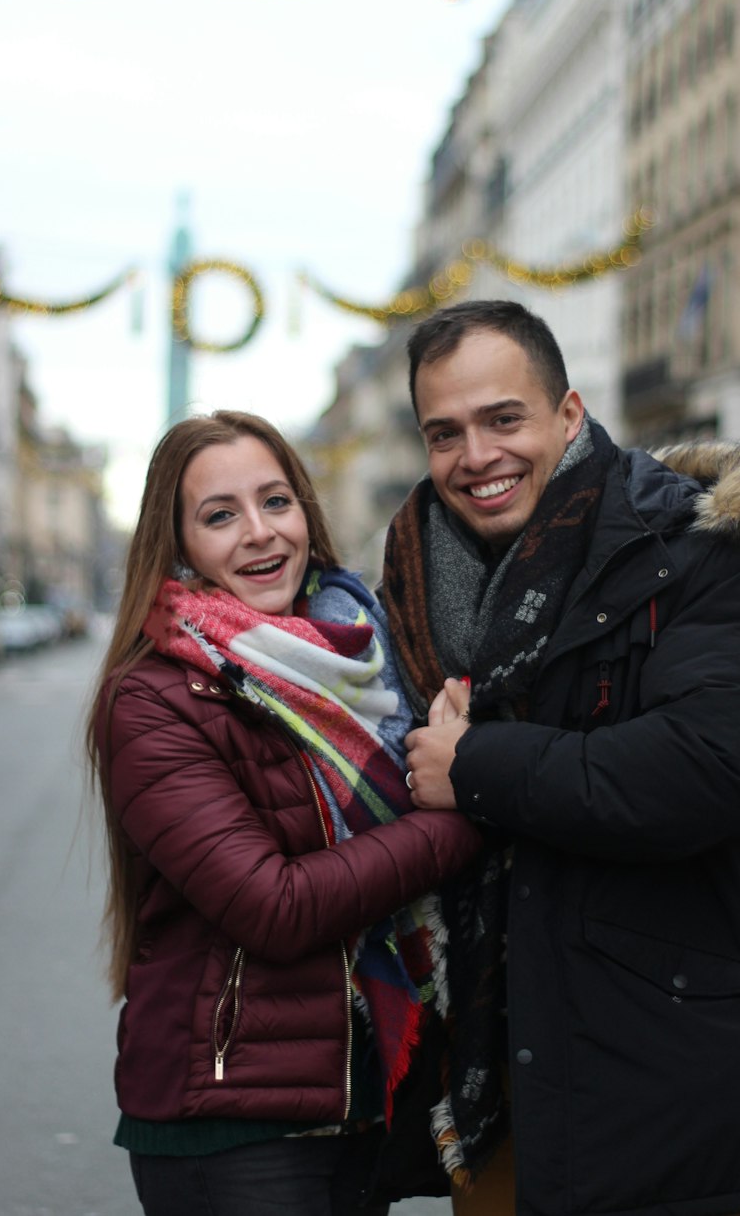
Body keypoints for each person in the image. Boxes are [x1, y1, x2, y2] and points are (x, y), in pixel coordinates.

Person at [382, 300, 740, 1216]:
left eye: (504, 419)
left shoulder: (707, 552)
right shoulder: (421, 584)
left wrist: (475, 766)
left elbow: (710, 769)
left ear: (569, 415)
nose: (477, 457)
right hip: (499, 1079)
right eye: (445, 433)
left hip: (656, 1085)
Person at [85, 410, 483, 1216]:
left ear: (307, 510)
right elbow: (276, 906)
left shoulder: (365, 658)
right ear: (178, 544)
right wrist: (469, 808)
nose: (260, 534)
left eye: (276, 501)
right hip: (230, 1118)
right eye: (220, 515)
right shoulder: (153, 698)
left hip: (357, 1098)